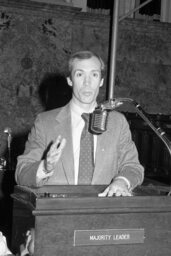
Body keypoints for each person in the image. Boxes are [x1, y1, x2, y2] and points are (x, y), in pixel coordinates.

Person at [15, 50, 144, 197]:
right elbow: (22, 173)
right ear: (70, 80)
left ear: (101, 81)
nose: (87, 83)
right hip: (58, 214)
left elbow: (133, 167)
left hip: (104, 214)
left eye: (94, 75)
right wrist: (45, 167)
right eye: (80, 74)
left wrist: (122, 181)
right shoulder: (45, 123)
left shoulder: (117, 122)